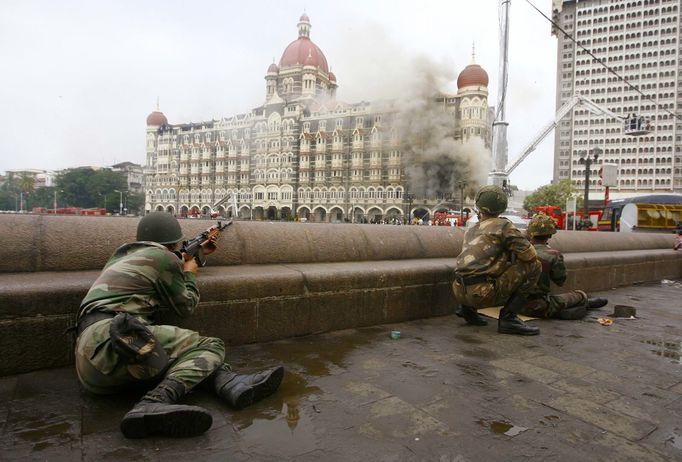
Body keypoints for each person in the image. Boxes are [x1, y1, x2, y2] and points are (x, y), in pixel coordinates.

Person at [74, 212, 284, 439]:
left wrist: (199, 254)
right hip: (116, 341)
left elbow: (163, 272)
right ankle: (154, 402)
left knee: (183, 358)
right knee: (211, 346)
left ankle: (231, 384)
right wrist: (191, 274)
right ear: (173, 241)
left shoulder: (122, 256)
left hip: (95, 363)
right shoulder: (163, 257)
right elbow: (186, 306)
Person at [452, 185, 542, 335]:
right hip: (482, 294)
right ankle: (509, 318)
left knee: (476, 266)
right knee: (535, 266)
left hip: (458, 290)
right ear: (502, 206)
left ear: (478, 205)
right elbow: (530, 255)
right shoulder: (504, 226)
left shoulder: (472, 228)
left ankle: (467, 310)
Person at [519, 213, 608, 320]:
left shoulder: (519, 251)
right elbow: (560, 280)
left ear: (530, 233)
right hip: (537, 307)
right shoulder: (552, 254)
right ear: (550, 235)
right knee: (578, 295)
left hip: (513, 306)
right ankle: (583, 302)